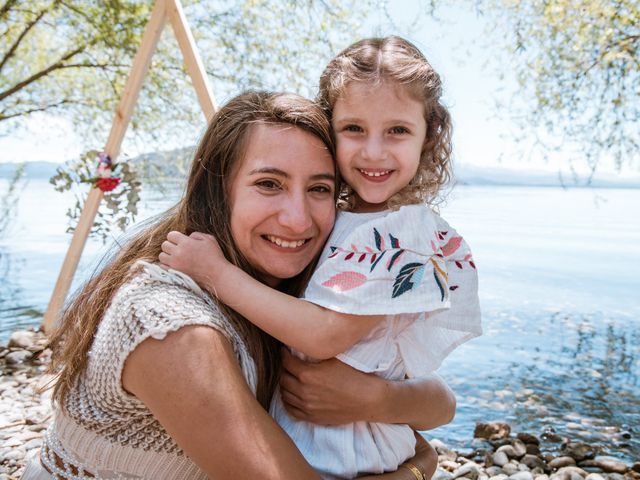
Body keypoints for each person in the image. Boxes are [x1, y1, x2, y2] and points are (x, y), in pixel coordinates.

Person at [23, 91, 451, 480]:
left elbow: (440, 401)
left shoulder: (289, 294)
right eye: (269, 184)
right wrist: (417, 469)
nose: (298, 220)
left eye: (319, 189)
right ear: (217, 191)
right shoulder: (168, 323)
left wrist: (376, 399)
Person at [160, 37, 482, 479]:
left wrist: (215, 273)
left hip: (345, 448)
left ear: (429, 137)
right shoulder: (343, 218)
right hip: (316, 431)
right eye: (354, 129)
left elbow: (322, 336)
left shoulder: (404, 234)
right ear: (328, 130)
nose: (373, 151)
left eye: (398, 131)